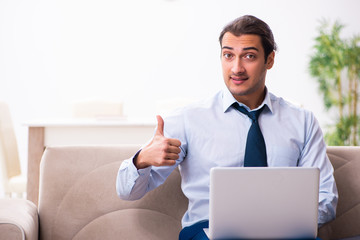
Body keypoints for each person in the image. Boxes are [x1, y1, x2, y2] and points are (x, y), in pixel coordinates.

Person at [116, 15, 338, 240]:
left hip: (284, 232)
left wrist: (290, 221)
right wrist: (142, 160)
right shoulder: (187, 119)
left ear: (269, 60)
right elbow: (126, 192)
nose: (236, 68)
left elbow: (326, 197)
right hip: (208, 232)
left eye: (249, 56)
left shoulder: (302, 121)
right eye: (228, 55)